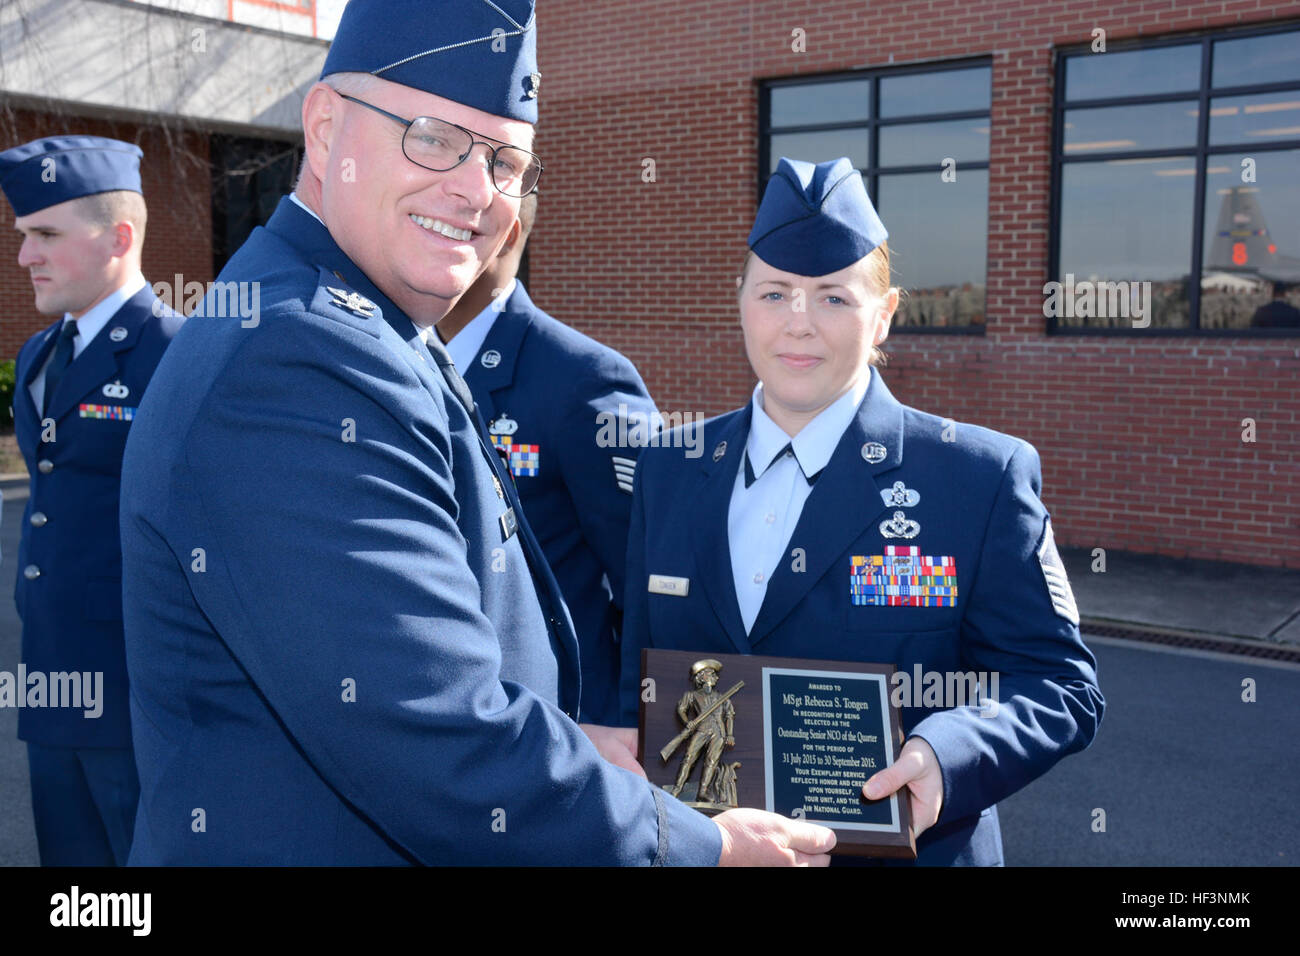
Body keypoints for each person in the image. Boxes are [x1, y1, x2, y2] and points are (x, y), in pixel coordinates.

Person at [118, 0, 833, 866]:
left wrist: (575, 744)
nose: (476, 190)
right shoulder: (299, 358)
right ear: (324, 127)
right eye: (432, 137)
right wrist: (694, 844)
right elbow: (434, 732)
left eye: (506, 160)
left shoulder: (366, 321)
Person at [618, 156, 1105, 866]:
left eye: (834, 298)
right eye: (775, 293)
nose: (799, 323)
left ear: (885, 316)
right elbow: (633, 665)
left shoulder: (976, 478)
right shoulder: (669, 466)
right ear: (740, 300)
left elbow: (1060, 683)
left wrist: (947, 754)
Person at [0, 135, 183, 865]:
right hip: (51, 684)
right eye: (21, 237)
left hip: (139, 700)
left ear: (119, 237)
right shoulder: (42, 357)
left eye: (45, 234)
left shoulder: (176, 354)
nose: (24, 257)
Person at [439, 190, 659, 725]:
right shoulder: (400, 357)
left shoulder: (583, 380)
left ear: (509, 232)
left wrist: (621, 728)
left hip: (558, 725)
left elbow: (647, 586)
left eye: (454, 228)